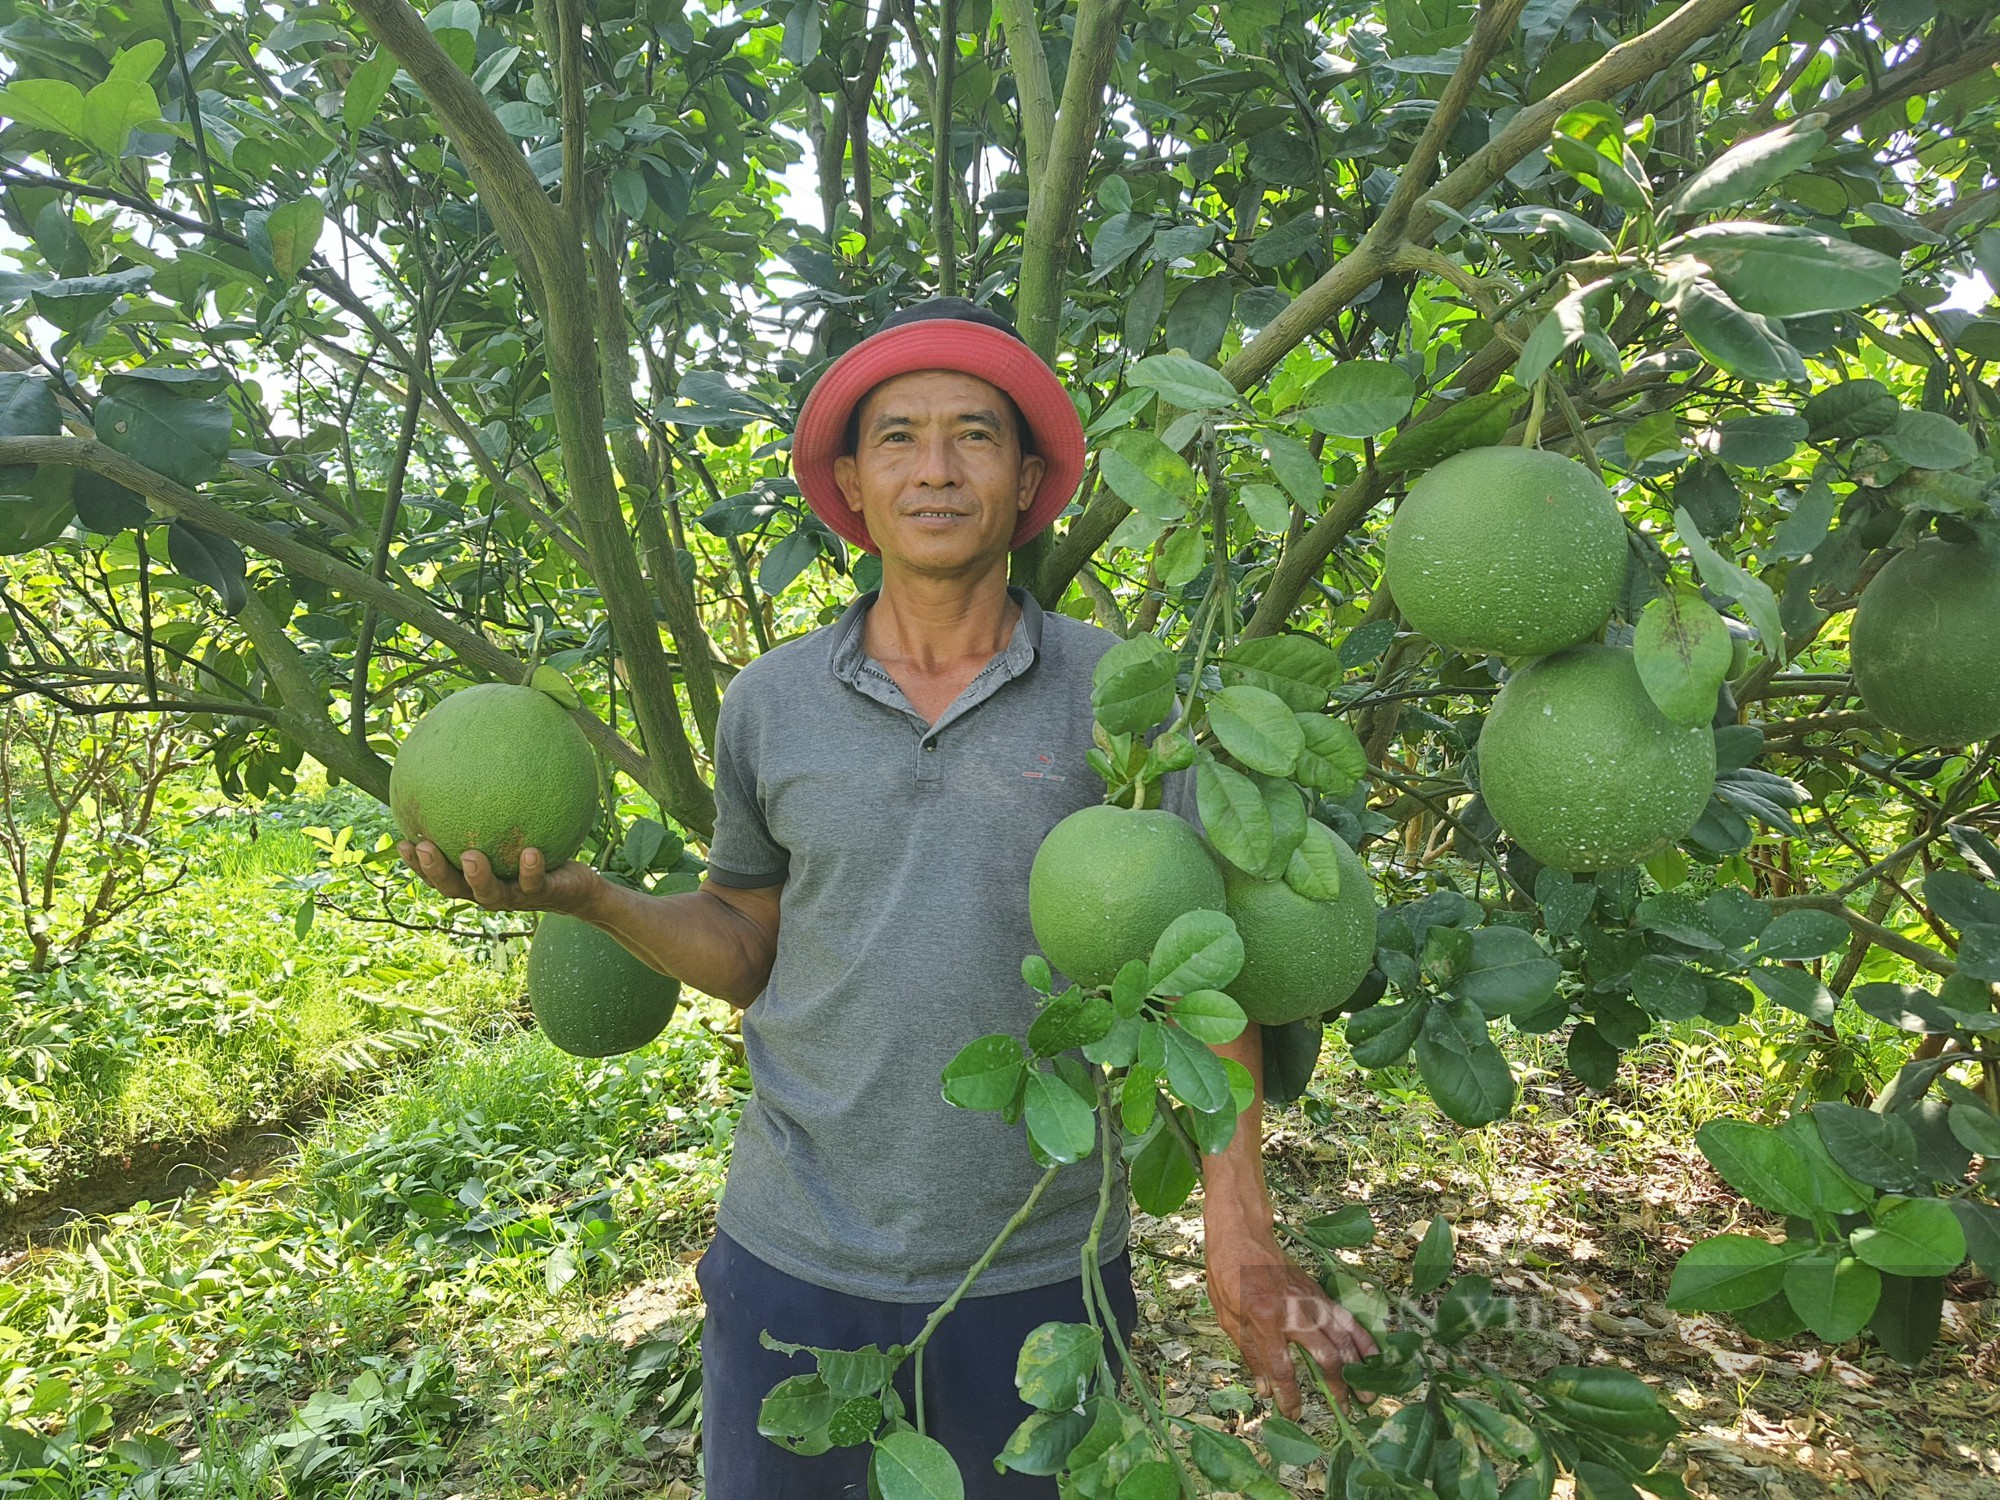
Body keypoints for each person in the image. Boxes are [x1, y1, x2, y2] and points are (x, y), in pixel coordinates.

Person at [397, 298, 1375, 1497]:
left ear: (1025, 482)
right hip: (791, 1248)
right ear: (850, 486)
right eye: (898, 438)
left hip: (1036, 1262)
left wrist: (1239, 1225)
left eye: (973, 435)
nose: (936, 468)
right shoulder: (769, 701)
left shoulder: (1117, 697)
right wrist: (598, 902)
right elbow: (748, 947)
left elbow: (1200, 979)